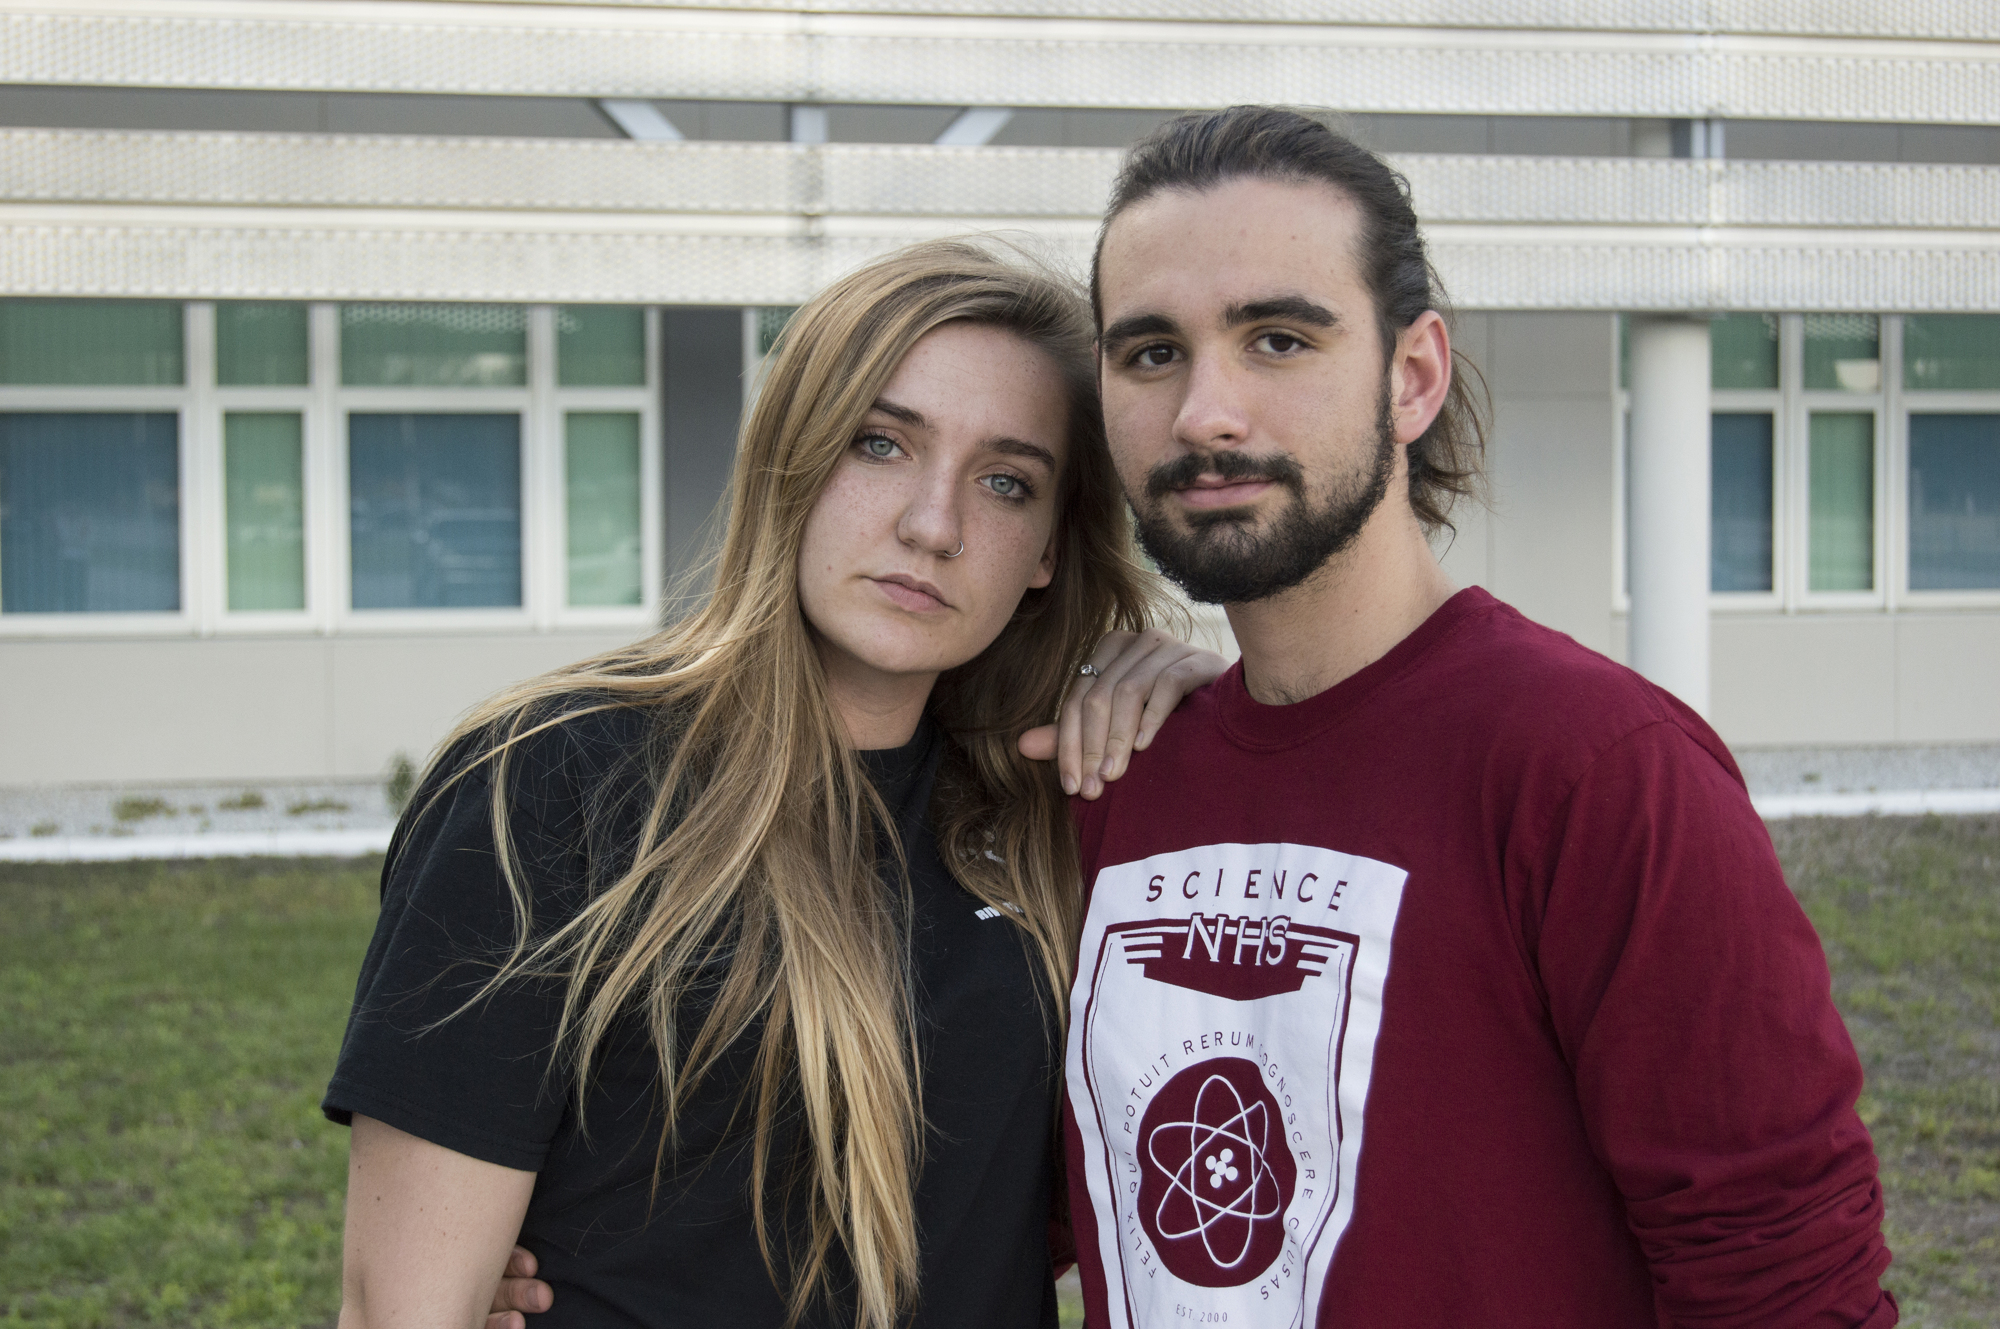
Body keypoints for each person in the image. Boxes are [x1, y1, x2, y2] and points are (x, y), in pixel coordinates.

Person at [1055, 106, 1895, 1327]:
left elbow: (1778, 1276)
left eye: (1278, 339)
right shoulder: (1113, 774)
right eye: (1148, 354)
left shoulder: (1598, 771)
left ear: (1411, 377)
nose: (1203, 413)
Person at [322, 238, 1225, 1329]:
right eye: (879, 444)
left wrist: (1191, 695)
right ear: (790, 458)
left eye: (1003, 481)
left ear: (1043, 548)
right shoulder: (549, 783)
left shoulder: (1046, 814)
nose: (931, 525)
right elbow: (405, 1307)